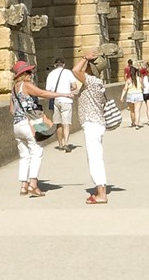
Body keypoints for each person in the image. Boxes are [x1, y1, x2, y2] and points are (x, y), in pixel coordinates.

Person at [9, 59, 62, 198]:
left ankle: (23, 186)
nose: (31, 74)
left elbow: (11, 110)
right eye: (30, 72)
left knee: (24, 155)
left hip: (17, 125)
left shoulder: (14, 89)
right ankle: (33, 184)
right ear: (24, 74)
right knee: (37, 151)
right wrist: (62, 94)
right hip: (29, 123)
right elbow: (43, 94)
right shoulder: (26, 85)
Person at [78, 52, 116, 202]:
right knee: (95, 156)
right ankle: (100, 188)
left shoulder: (91, 81)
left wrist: (84, 58)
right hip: (96, 123)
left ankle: (101, 193)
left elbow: (74, 71)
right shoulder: (96, 82)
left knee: (94, 158)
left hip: (92, 124)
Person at [45, 58, 78, 151]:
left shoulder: (51, 74)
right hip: (66, 100)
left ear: (55, 65)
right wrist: (68, 90)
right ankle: (66, 143)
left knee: (58, 123)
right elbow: (75, 86)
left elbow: (48, 90)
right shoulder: (68, 72)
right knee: (66, 123)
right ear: (63, 64)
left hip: (56, 100)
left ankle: (59, 144)